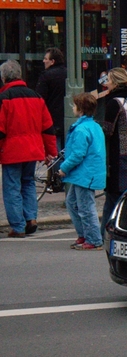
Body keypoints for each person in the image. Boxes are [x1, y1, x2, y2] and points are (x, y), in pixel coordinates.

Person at [0, 59, 57, 238]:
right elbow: (47, 127)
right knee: (28, 184)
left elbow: (1, 130)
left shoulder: (4, 98)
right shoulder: (36, 96)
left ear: (4, 78)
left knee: (12, 187)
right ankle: (31, 218)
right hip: (32, 149)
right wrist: (51, 152)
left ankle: (17, 226)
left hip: (12, 150)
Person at [58, 93, 106, 250]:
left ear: (80, 109)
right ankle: (85, 234)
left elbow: (78, 154)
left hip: (85, 174)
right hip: (87, 173)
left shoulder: (81, 129)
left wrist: (64, 168)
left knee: (85, 207)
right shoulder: (94, 126)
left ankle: (93, 239)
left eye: (74, 105)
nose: (72, 107)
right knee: (72, 203)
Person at [100, 67, 127, 236]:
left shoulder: (114, 102)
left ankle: (105, 233)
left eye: (108, 80)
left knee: (113, 194)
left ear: (115, 82)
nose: (105, 83)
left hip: (118, 151)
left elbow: (108, 130)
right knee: (126, 190)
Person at [35, 47, 67, 157]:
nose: (43, 61)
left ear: (52, 61)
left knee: (55, 153)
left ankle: (56, 173)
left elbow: (40, 99)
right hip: (68, 118)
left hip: (52, 119)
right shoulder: (69, 74)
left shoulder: (46, 76)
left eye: (46, 59)